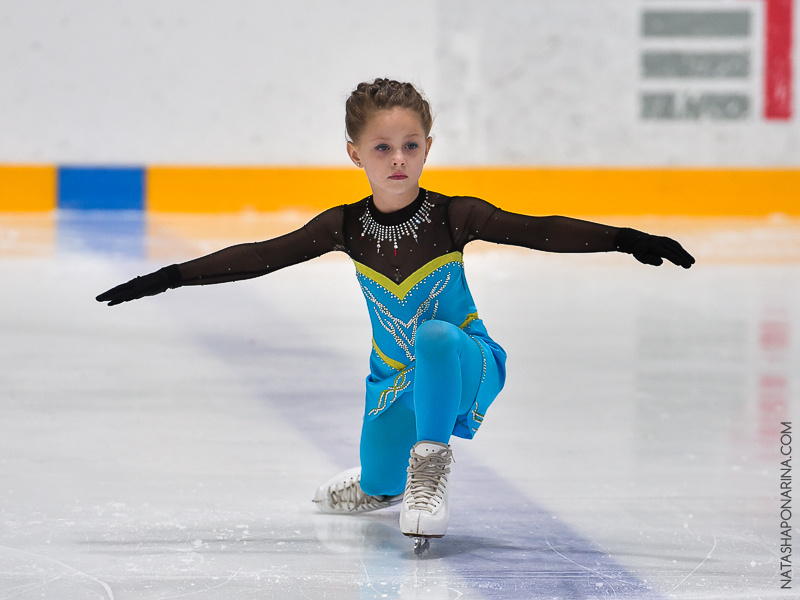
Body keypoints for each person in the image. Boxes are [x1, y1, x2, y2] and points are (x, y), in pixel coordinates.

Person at [97, 78, 695, 545]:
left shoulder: (454, 216)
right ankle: (382, 484)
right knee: (381, 480)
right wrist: (169, 277)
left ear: (428, 147)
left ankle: (430, 472)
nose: (398, 159)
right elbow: (261, 255)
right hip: (392, 382)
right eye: (382, 148)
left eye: (411, 145)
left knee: (435, 334)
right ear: (355, 153)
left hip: (466, 362)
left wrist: (625, 238)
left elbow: (538, 229)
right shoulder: (345, 226)